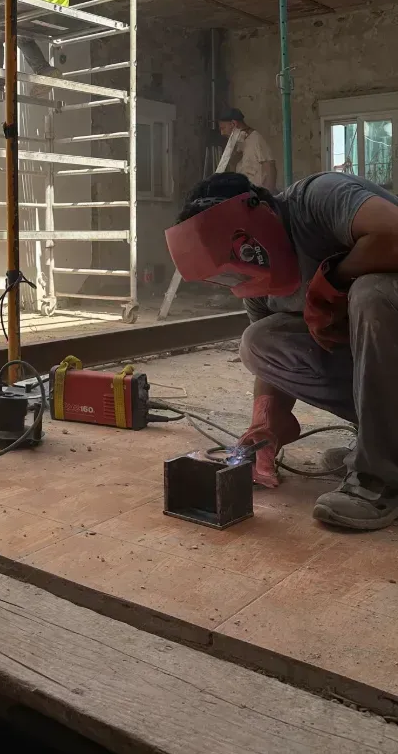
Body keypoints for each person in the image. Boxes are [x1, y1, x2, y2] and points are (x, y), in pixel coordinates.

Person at [166, 169, 398, 531]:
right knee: (260, 341)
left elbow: (393, 234)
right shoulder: (258, 285)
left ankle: (379, 478)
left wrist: (335, 280)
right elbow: (272, 369)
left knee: (371, 293)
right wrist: (265, 425)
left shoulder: (319, 199)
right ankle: (383, 441)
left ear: (261, 215)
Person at [218, 107, 276, 190]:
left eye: (223, 128)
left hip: (257, 193)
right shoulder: (240, 141)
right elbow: (234, 165)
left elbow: (270, 167)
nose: (222, 133)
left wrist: (268, 193)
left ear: (233, 124)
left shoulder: (256, 139)